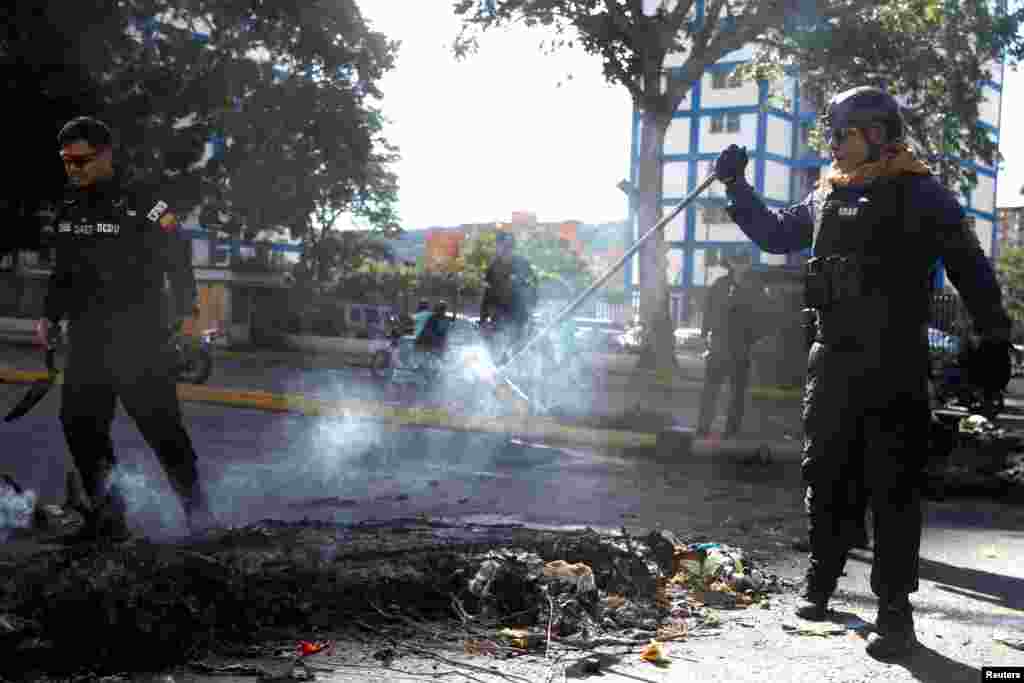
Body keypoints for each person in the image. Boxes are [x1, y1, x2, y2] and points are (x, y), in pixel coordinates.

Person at [713, 86, 1012, 659]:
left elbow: (970, 268)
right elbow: (777, 234)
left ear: (877, 134)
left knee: (893, 488)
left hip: (894, 363)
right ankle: (820, 582)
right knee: (824, 473)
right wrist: (736, 187)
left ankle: (895, 615)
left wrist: (994, 334)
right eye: (831, 134)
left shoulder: (923, 195)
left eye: (842, 133)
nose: (832, 144)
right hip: (831, 360)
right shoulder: (828, 192)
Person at [38, 116, 216, 542]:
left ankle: (200, 519)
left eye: (81, 161)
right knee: (80, 426)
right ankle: (109, 518)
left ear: (105, 155)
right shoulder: (69, 207)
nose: (73, 169)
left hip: (140, 336)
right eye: (66, 162)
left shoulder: (144, 200)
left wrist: (190, 311)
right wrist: (49, 315)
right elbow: (64, 271)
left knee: (162, 430)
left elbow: (178, 257)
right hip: (87, 337)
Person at [696, 246, 769, 439]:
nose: (739, 265)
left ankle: (731, 431)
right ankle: (703, 428)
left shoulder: (755, 287)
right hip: (719, 346)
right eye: (736, 261)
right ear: (730, 263)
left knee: (737, 393)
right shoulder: (719, 285)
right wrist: (704, 335)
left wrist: (755, 339)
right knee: (710, 390)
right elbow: (708, 311)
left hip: (741, 348)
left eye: (743, 261)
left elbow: (762, 316)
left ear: (748, 263)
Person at [480, 232, 538, 355]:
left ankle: (514, 361)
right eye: (503, 246)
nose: (506, 250)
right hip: (500, 316)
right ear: (498, 246)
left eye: (509, 247)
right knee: (499, 349)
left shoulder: (522, 263)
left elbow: (533, 285)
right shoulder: (493, 267)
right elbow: (487, 294)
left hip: (519, 315)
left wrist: (532, 308)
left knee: (517, 347)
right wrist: (483, 320)